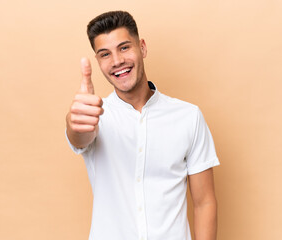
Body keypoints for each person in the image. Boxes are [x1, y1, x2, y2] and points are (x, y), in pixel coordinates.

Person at [66, 10, 220, 240]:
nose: (117, 61)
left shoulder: (188, 117)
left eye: (124, 47)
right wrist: (75, 123)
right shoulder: (95, 116)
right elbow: (79, 136)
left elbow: (204, 202)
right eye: (105, 54)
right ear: (98, 62)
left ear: (143, 48)